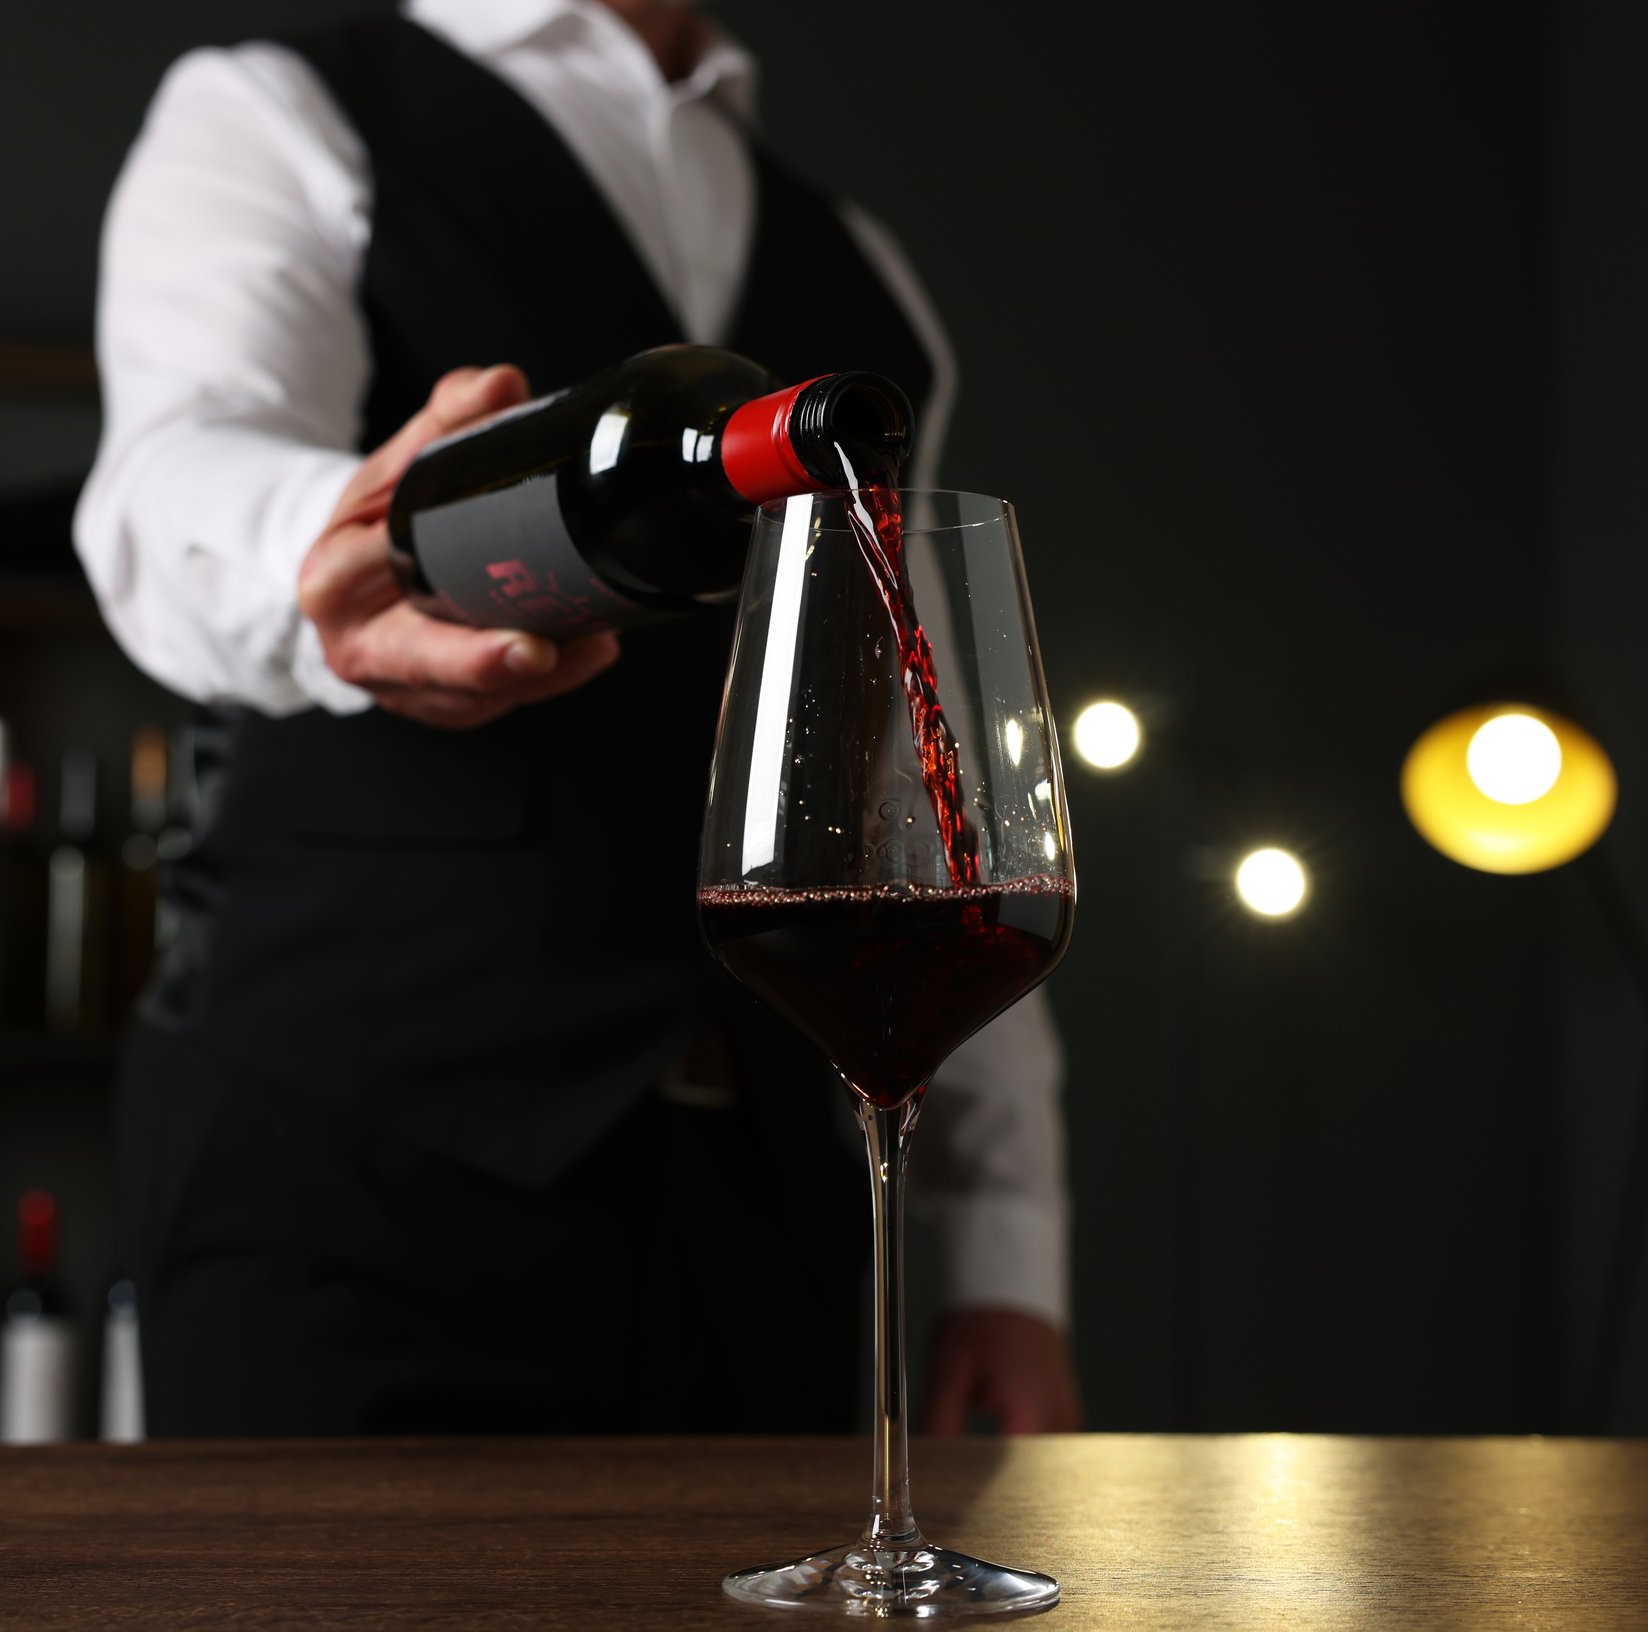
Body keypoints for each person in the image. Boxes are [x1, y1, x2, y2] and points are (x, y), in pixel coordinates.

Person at [76, 0, 1081, 1436]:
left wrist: (1006, 1258)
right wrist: (347, 544)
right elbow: (168, 478)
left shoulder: (865, 273)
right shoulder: (281, 110)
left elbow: (941, 780)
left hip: (763, 1200)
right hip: (356, 1169)